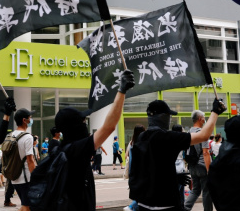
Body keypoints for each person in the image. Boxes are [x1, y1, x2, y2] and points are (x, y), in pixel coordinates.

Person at [51, 69, 134, 210]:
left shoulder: (60, 150)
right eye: (83, 122)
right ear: (75, 127)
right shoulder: (75, 150)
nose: (85, 125)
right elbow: (109, 127)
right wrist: (121, 90)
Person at [130, 98, 226, 211]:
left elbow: (150, 168)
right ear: (162, 117)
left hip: (143, 203)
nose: (170, 119)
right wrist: (215, 112)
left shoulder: (141, 137)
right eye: (169, 115)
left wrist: (173, 178)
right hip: (166, 203)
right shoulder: (169, 137)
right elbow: (203, 136)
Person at [183, 110, 213, 211]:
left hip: (192, 166)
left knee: (195, 190)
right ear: (200, 119)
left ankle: (185, 208)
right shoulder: (202, 133)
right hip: (202, 166)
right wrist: (209, 170)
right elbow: (205, 152)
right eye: (204, 117)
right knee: (206, 191)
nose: (205, 119)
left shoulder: (188, 133)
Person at [11, 108, 37, 211]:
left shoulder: (10, 135)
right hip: (26, 178)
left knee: (25, 205)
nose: (31, 120)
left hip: (14, 177)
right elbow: (30, 160)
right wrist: (35, 177)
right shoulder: (28, 137)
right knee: (28, 207)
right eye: (30, 117)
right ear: (24, 120)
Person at [123, 124, 146, 211]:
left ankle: (132, 206)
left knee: (138, 194)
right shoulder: (144, 143)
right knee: (143, 195)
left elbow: (126, 156)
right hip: (142, 172)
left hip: (133, 172)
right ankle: (131, 207)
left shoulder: (131, 143)